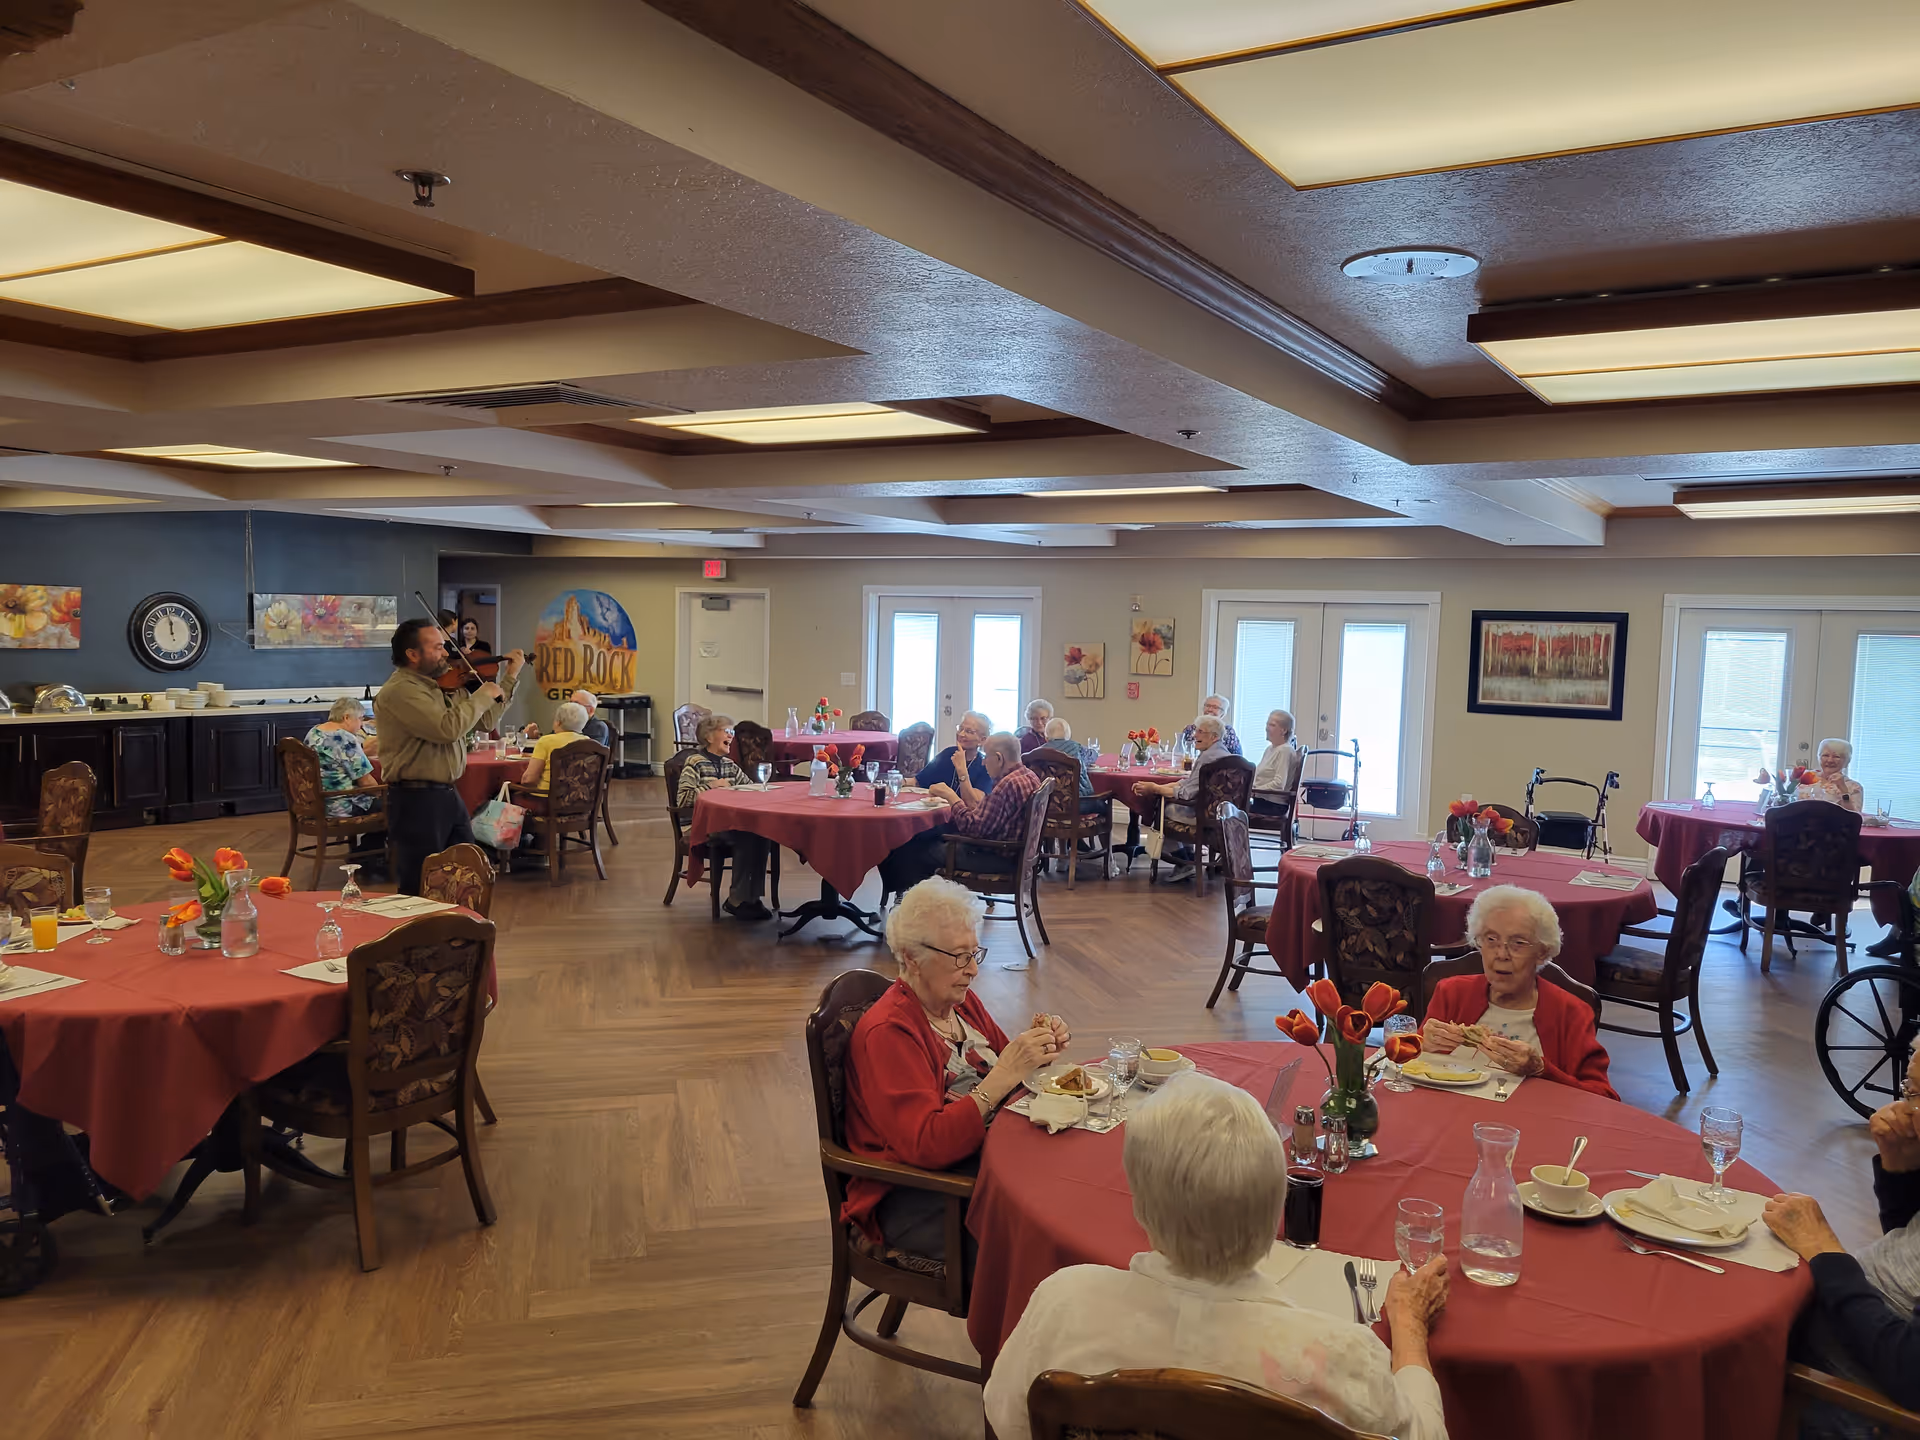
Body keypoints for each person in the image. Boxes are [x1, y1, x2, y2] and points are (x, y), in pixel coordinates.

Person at [984, 1071, 1450, 1440]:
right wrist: (1408, 1328)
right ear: (1275, 1213)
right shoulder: (1345, 1357)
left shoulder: (1063, 1302)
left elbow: (1009, 1421)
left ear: (1139, 1206)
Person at [843, 876, 1069, 1281]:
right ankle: (1022, 1336)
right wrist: (1004, 1074)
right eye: (960, 957)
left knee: (1073, 1192)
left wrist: (1037, 1053)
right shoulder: (890, 1033)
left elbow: (1010, 1076)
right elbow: (926, 1145)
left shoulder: (959, 1004)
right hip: (923, 1198)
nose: (973, 971)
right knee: (1054, 1240)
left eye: (974, 954)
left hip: (983, 1170)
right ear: (912, 958)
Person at [1763, 1050, 1920, 1429]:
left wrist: (1825, 1252)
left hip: (1838, 1400)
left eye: (1914, 1095)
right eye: (1907, 1087)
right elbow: (1908, 1259)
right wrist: (1901, 1170)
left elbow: (1911, 1375)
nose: (1901, 1107)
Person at [1423, 886, 1617, 1099]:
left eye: (1518, 943)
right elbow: (1406, 1066)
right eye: (1491, 939)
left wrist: (1541, 1070)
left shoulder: (1571, 1012)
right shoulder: (1451, 992)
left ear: (1542, 952)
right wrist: (1423, 1046)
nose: (1502, 954)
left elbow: (1604, 1098)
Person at [373, 619, 523, 895]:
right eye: (438, 647)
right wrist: (482, 695)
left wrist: (509, 678)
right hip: (416, 800)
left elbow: (485, 719)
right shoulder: (401, 691)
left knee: (465, 873)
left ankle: (456, 933)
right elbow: (447, 728)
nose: (446, 653)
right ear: (413, 654)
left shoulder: (439, 686)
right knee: (420, 882)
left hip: (446, 795)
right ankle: (414, 935)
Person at [881, 733, 1041, 895]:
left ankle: (909, 903)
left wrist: (952, 797)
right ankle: (918, 901)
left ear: (999, 758)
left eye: (986, 756)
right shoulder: (1029, 776)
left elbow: (974, 829)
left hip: (997, 857)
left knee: (913, 848)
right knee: (925, 838)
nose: (984, 762)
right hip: (1018, 857)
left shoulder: (1008, 785)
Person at [674, 713, 773, 921]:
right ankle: (736, 900)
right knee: (745, 837)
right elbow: (683, 799)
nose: (732, 736)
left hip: (727, 823)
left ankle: (752, 898)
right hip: (701, 825)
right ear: (709, 737)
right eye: (727, 731)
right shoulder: (695, 762)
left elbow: (749, 787)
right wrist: (710, 786)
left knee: (762, 834)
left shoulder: (729, 765)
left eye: (732, 732)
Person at [1132, 713, 1233, 884]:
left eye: (1201, 732)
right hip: (1222, 813)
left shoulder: (1208, 758)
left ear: (1214, 737)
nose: (1195, 736)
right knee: (1165, 801)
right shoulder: (1222, 753)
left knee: (1161, 811)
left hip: (1203, 815)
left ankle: (1183, 861)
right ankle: (1189, 858)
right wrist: (1165, 786)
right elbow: (1192, 783)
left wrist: (1155, 789)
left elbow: (1186, 793)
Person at [304, 697, 381, 818]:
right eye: (360, 719)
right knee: (396, 805)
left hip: (314, 804)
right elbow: (366, 782)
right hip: (341, 806)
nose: (361, 726)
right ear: (346, 718)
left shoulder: (314, 732)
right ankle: (373, 838)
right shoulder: (345, 739)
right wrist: (382, 793)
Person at [519, 700, 590, 794]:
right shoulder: (588, 742)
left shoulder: (546, 742)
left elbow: (528, 780)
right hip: (579, 799)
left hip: (545, 800)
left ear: (558, 722)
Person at [916, 710, 992, 793]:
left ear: (982, 740)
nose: (961, 734)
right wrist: (901, 780)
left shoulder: (985, 765)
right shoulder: (948, 753)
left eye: (969, 731)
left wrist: (962, 771)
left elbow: (974, 803)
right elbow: (918, 781)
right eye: (960, 729)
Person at [1039, 717, 1102, 813]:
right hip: (1077, 804)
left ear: (1046, 738)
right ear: (1068, 736)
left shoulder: (1037, 753)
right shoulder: (1077, 749)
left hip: (1045, 806)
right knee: (1102, 806)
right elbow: (1092, 756)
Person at [1251, 708, 1303, 819]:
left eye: (1272, 725)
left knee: (1227, 808)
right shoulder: (1270, 749)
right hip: (1261, 799)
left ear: (1283, 730)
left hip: (1273, 805)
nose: (1266, 728)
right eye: (1267, 724)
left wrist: (1254, 791)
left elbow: (1279, 784)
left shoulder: (1285, 751)